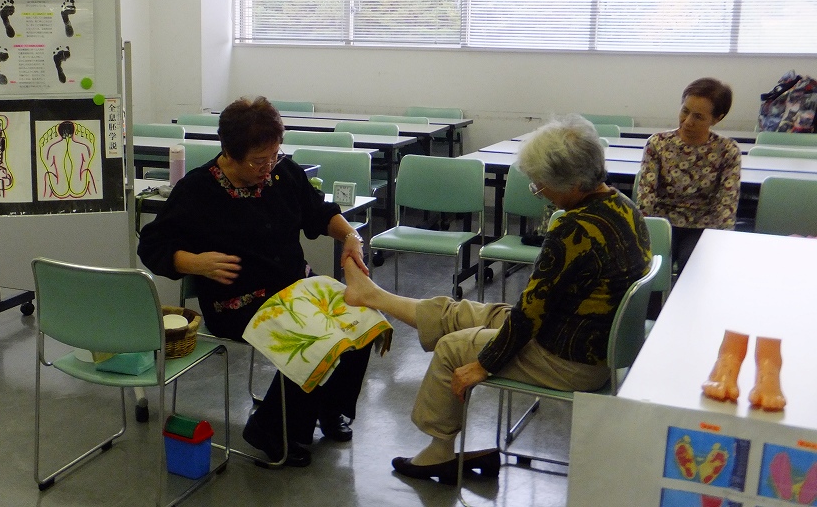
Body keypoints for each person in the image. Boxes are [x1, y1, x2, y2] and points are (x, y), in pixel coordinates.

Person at [341, 115, 652, 482]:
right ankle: (373, 295)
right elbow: (534, 310)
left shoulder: (573, 229)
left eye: (542, 183)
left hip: (570, 359)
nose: (540, 190)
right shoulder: (622, 206)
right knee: (459, 313)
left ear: (574, 181)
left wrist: (484, 363)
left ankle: (438, 452)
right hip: (579, 339)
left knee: (454, 348)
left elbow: (528, 317)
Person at [137, 96, 371, 468]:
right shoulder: (199, 189)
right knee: (316, 333)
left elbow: (319, 214)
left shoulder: (284, 173)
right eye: (258, 161)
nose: (267, 168)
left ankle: (330, 409)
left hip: (295, 287)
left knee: (361, 317)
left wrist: (350, 237)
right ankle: (271, 430)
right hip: (238, 301)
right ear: (228, 152)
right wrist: (195, 262)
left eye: (273, 157)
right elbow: (151, 246)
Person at [636, 78, 739, 272]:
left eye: (698, 117)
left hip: (703, 224)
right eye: (685, 111)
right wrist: (643, 231)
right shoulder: (658, 143)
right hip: (662, 221)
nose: (687, 121)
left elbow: (727, 204)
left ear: (717, 118)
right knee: (653, 264)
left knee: (693, 265)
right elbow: (646, 196)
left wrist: (724, 241)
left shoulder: (727, 150)